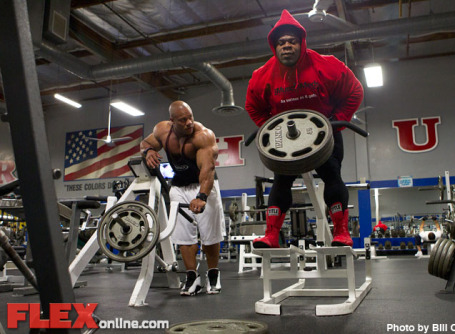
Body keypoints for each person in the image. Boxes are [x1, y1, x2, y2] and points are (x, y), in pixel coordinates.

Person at [245, 9, 364, 248]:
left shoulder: (326, 66)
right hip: (287, 139)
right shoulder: (262, 76)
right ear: (274, 46)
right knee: (281, 181)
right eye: (281, 42)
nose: (286, 46)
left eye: (292, 41)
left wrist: (336, 121)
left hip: (324, 133)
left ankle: (341, 232)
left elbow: (355, 91)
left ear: (301, 43)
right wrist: (272, 129)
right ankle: (271, 235)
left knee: (332, 174)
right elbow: (252, 106)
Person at [140, 100, 225, 296]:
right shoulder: (162, 130)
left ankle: (213, 274)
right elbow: (144, 143)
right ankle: (192, 277)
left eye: (190, 117)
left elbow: (207, 170)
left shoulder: (203, 136)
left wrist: (202, 197)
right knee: (183, 235)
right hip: (178, 185)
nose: (189, 122)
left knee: (210, 234)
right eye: (183, 120)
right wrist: (149, 151)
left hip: (204, 183)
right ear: (172, 121)